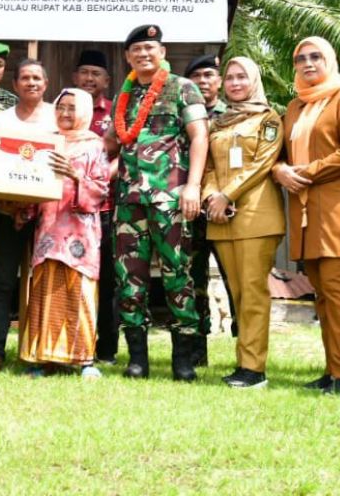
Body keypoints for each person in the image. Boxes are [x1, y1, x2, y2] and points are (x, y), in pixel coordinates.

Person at [275, 38, 340, 396]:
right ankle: (334, 370)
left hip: (337, 210)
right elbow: (281, 154)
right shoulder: (295, 106)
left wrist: (308, 171)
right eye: (300, 58)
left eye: (316, 57)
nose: (308, 63)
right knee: (322, 294)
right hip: (304, 210)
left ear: (331, 60)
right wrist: (281, 170)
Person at [113, 24, 208, 381]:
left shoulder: (183, 88)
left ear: (162, 52)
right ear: (128, 57)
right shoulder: (125, 96)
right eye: (136, 49)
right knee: (129, 279)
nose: (143, 54)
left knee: (177, 276)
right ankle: (138, 359)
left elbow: (199, 136)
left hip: (170, 198)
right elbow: (116, 142)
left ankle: (182, 360)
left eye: (150, 48)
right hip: (129, 201)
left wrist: (193, 186)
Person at [201, 57, 284, 388]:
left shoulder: (268, 119)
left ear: (254, 81)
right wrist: (210, 198)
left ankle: (253, 369)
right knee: (237, 294)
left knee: (252, 293)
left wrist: (227, 195)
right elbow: (206, 165)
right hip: (222, 218)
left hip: (256, 216)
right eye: (230, 77)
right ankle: (243, 363)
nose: (235, 83)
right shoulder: (218, 124)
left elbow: (264, 163)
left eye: (241, 77)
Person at [19, 88, 113, 377]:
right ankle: (43, 358)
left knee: (79, 291)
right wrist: (23, 207)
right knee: (45, 291)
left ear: (83, 111)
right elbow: (32, 180)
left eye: (73, 108)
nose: (66, 114)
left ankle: (84, 359)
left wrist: (74, 175)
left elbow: (101, 190)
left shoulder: (94, 146)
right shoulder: (46, 142)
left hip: (79, 234)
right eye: (61, 108)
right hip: (48, 229)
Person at [0, 59, 55, 372]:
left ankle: (39, 352)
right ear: (15, 84)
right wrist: (9, 205)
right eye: (25, 78)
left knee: (44, 283)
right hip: (7, 212)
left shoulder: (56, 116)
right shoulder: (1, 119)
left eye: (37, 77)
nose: (31, 83)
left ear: (46, 84)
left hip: (48, 215)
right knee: (1, 282)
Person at [184, 53, 236, 365]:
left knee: (236, 279)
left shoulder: (234, 114)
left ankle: (248, 350)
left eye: (209, 76)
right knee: (193, 281)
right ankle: (196, 349)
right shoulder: (183, 113)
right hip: (193, 210)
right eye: (197, 77)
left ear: (219, 81)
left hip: (226, 208)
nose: (203, 82)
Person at [73, 49, 118, 364]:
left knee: (108, 279)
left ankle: (106, 349)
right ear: (76, 76)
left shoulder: (117, 111)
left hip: (106, 206)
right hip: (66, 210)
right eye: (84, 72)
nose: (89, 78)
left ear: (106, 80)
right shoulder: (63, 109)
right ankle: (71, 342)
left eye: (95, 73)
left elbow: (123, 154)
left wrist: (96, 180)